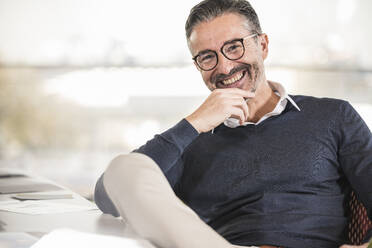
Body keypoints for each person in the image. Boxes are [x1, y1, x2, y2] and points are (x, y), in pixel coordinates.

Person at [94, 0, 372, 247]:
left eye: (234, 47)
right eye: (207, 56)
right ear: (198, 66)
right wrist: (194, 124)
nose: (224, 67)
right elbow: (107, 196)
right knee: (124, 167)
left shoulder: (333, 116)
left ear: (262, 45)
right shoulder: (192, 140)